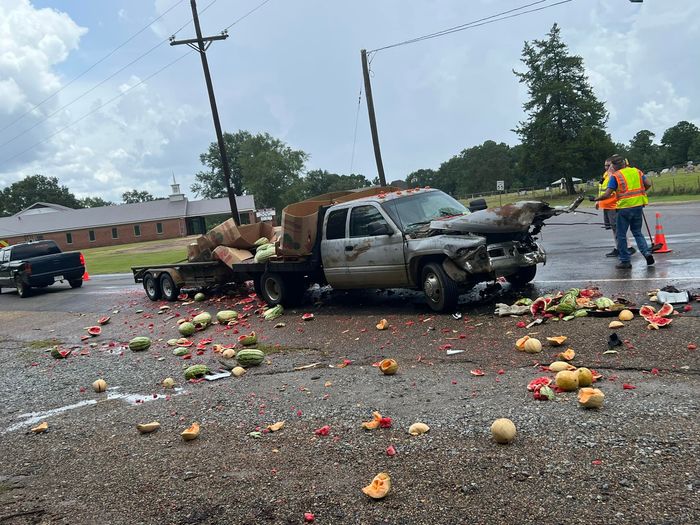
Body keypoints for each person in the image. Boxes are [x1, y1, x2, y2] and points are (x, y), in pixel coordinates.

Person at [591, 154, 654, 269]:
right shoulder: (636, 171)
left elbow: (607, 194)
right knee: (637, 232)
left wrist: (595, 199)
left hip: (624, 208)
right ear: (624, 163)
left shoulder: (616, 176)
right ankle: (646, 253)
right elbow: (648, 184)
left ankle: (625, 260)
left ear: (613, 166)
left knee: (620, 235)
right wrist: (641, 192)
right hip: (638, 206)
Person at [597, 158, 635, 257]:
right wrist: (598, 201)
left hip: (613, 205)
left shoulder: (614, 175)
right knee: (614, 229)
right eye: (605, 165)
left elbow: (612, 190)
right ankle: (618, 247)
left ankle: (628, 247)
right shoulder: (606, 174)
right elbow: (602, 188)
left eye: (608, 165)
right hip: (606, 205)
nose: (606, 167)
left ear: (613, 166)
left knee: (618, 228)